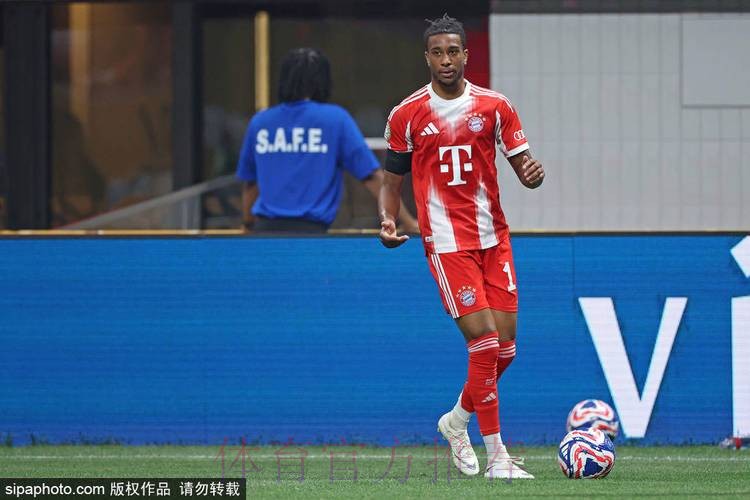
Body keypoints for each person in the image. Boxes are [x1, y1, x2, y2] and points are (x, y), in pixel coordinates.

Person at [378, 15, 545, 479]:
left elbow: (523, 164)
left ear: (466, 55)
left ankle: (456, 421)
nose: (446, 60)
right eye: (437, 52)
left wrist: (533, 175)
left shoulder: (495, 106)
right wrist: (388, 219)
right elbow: (391, 181)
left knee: (505, 350)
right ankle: (497, 457)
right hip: (448, 244)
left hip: (494, 238)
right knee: (485, 343)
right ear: (427, 57)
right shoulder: (407, 114)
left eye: (453, 51)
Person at [236, 47, 417, 233]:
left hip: (264, 233)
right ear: (323, 81)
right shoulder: (335, 119)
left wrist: (247, 224)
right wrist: (407, 221)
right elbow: (372, 177)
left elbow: (250, 184)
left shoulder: (260, 122)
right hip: (312, 234)